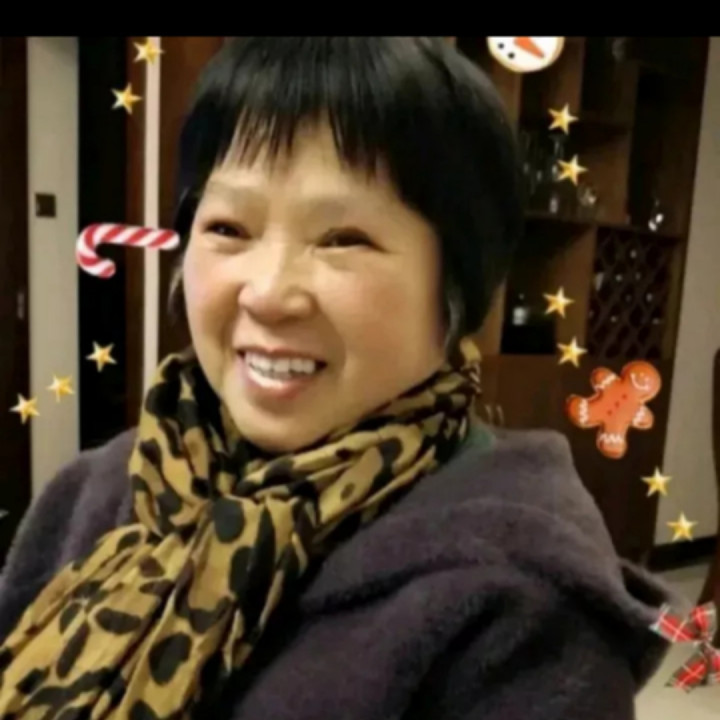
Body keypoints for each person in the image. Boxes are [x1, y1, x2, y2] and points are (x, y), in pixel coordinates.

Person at [0, 37, 670, 719]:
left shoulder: (525, 609)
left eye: (343, 239)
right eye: (229, 227)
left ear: (458, 287)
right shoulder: (94, 496)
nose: (268, 293)